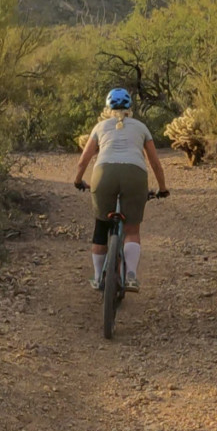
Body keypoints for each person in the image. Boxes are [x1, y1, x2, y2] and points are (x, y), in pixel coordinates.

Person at [72, 88, 168, 292]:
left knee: (101, 226)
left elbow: (83, 161)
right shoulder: (141, 127)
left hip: (103, 174)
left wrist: (78, 181)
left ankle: (98, 278)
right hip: (135, 175)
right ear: (129, 108)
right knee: (132, 228)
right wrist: (162, 188)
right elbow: (155, 163)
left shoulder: (100, 127)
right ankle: (131, 276)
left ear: (108, 108)